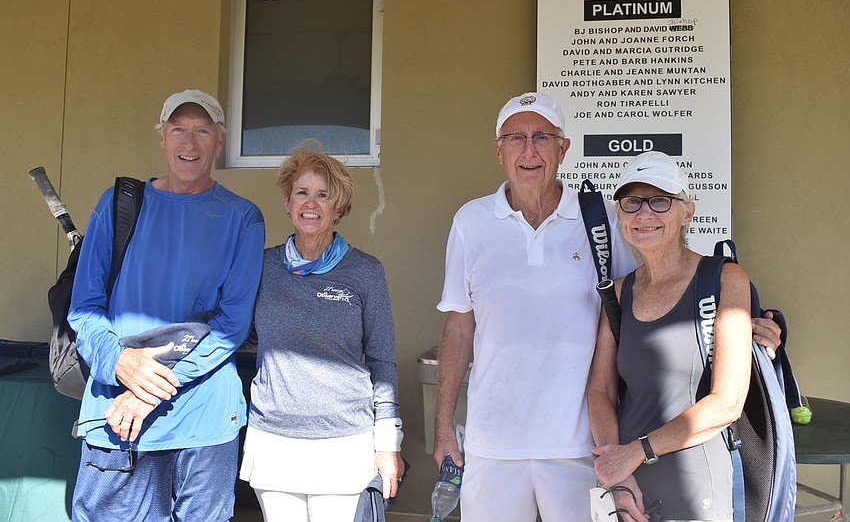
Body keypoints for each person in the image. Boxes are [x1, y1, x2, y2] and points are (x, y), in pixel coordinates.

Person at [433, 92, 782, 522]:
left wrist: (740, 324)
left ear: (563, 149)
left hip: (584, 449)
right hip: (493, 444)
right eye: (515, 138)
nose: (529, 151)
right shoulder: (470, 222)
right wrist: (444, 425)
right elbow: (458, 328)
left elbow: (659, 295)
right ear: (498, 149)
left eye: (542, 137)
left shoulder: (598, 221)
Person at [68, 89, 266, 522]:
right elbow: (83, 306)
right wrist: (119, 362)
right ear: (162, 138)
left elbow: (232, 325)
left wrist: (148, 390)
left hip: (203, 417)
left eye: (201, 131)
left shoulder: (242, 218)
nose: (189, 143)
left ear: (219, 140)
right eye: (178, 129)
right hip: (115, 415)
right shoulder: (119, 205)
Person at [239, 149, 404, 522]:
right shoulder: (261, 266)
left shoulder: (365, 272)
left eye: (323, 195)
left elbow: (382, 360)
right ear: (287, 201)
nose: (310, 203)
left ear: (339, 207)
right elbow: (239, 332)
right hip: (274, 437)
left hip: (344, 440)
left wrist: (387, 444)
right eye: (302, 192)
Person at [587, 151, 752, 521]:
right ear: (620, 215)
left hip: (696, 488)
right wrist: (620, 473)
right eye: (631, 202)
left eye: (660, 201)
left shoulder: (725, 279)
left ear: (686, 213)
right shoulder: (616, 293)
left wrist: (635, 453)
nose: (644, 214)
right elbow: (600, 391)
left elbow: (727, 403)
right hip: (627, 488)